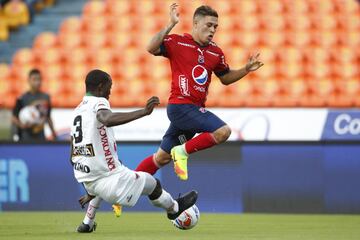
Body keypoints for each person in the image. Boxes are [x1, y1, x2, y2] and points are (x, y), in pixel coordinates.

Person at [135, 4, 264, 180]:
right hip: (180, 106)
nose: (212, 30)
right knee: (223, 131)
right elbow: (150, 48)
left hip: (193, 111)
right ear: (195, 23)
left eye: (215, 27)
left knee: (161, 158)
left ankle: (124, 188)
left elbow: (225, 77)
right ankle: (181, 152)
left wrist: (245, 69)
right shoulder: (178, 42)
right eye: (209, 25)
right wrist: (171, 24)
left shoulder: (215, 52)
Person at [71, 69, 198, 233]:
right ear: (101, 87)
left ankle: (87, 223)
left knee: (105, 176)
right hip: (110, 181)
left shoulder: (78, 111)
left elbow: (73, 152)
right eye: (110, 87)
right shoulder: (99, 103)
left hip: (87, 177)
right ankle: (174, 209)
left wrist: (89, 188)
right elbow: (106, 119)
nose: (110, 92)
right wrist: (143, 112)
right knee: (153, 184)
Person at [12, 68, 57, 141]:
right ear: (29, 80)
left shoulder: (46, 97)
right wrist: (21, 125)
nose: (37, 82)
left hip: (41, 137)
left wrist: (54, 134)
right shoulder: (22, 98)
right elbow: (14, 118)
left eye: (39, 79)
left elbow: (48, 117)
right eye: (34, 79)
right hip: (26, 138)